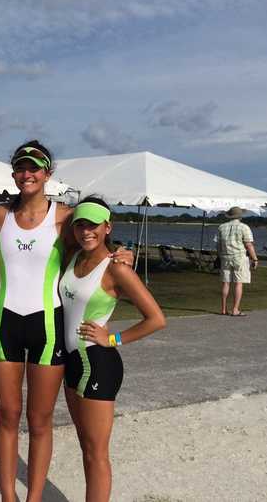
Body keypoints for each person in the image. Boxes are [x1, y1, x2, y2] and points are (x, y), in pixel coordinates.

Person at [0, 141, 133, 502]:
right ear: (14, 173)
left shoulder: (65, 217)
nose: (27, 174)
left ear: (48, 174)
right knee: (7, 415)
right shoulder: (0, 215)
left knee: (39, 420)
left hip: (47, 326)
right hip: (4, 321)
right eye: (21, 167)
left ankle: (33, 497)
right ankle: (8, 496)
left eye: (35, 168)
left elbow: (93, 243)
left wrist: (124, 253)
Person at [60, 196, 166, 502]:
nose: (86, 231)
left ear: (108, 227)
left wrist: (113, 339)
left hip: (98, 363)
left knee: (97, 453)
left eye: (93, 225)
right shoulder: (73, 257)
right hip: (72, 362)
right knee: (85, 446)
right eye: (80, 224)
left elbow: (157, 319)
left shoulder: (117, 269)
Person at [216, 206, 258, 316]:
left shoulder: (221, 227)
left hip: (225, 257)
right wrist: (254, 258)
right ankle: (235, 309)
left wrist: (221, 255)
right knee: (238, 283)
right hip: (239, 257)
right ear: (240, 216)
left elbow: (218, 245)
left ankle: (223, 309)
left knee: (226, 283)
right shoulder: (244, 227)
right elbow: (248, 244)